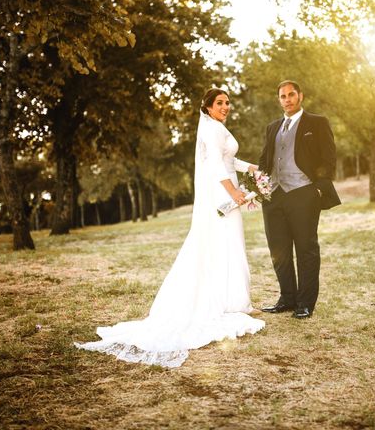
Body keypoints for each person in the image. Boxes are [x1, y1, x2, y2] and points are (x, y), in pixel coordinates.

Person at [75, 88, 265, 367]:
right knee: (224, 245)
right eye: (220, 103)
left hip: (227, 189)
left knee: (227, 246)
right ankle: (231, 304)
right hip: (223, 193)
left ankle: (234, 301)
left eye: (227, 103)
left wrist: (253, 169)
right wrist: (234, 193)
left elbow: (229, 161)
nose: (226, 107)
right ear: (208, 108)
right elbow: (214, 165)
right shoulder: (213, 130)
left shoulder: (218, 129)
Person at [258, 80, 340, 319]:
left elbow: (329, 157)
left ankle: (305, 303)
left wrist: (317, 189)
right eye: (282, 96)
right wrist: (261, 187)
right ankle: (287, 298)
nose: (287, 99)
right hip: (273, 196)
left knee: (306, 249)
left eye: (291, 94)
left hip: (303, 193)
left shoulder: (317, 122)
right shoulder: (272, 127)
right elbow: (265, 160)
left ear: (300, 96)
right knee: (279, 251)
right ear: (279, 100)